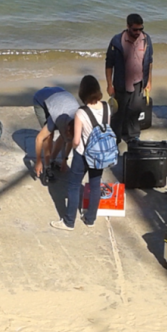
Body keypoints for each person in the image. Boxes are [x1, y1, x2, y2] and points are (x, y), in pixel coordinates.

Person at [50, 75, 108, 231]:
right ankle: (90, 219)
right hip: (100, 153)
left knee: (74, 186)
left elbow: (76, 141)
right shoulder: (107, 107)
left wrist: (70, 151)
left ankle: (69, 221)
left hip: (83, 154)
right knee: (95, 185)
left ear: (82, 92)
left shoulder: (81, 113)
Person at [104, 13, 153, 144]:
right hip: (121, 83)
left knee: (135, 111)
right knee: (118, 113)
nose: (138, 32)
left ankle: (133, 136)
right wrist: (109, 84)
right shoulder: (116, 41)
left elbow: (149, 62)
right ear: (127, 26)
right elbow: (109, 64)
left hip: (139, 83)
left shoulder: (146, 40)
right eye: (135, 29)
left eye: (140, 29)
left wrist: (148, 81)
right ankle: (115, 138)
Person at [31, 86, 79, 179]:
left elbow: (69, 140)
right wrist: (38, 161)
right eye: (67, 132)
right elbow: (39, 138)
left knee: (66, 137)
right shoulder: (57, 118)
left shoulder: (80, 120)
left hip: (61, 94)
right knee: (49, 136)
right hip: (41, 98)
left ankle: (52, 160)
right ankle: (48, 166)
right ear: (67, 127)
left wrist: (64, 160)